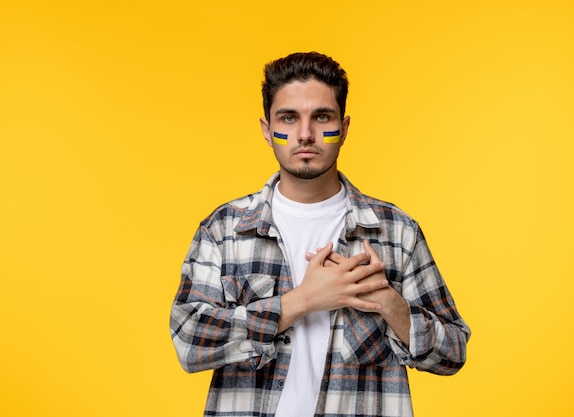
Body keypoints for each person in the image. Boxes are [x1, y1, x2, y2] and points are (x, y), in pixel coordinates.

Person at [170, 51, 471, 417]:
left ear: (343, 128)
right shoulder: (224, 229)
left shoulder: (396, 231)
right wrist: (303, 301)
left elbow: (453, 352)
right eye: (289, 118)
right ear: (268, 130)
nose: (306, 134)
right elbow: (188, 339)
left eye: (322, 117)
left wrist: (388, 301)